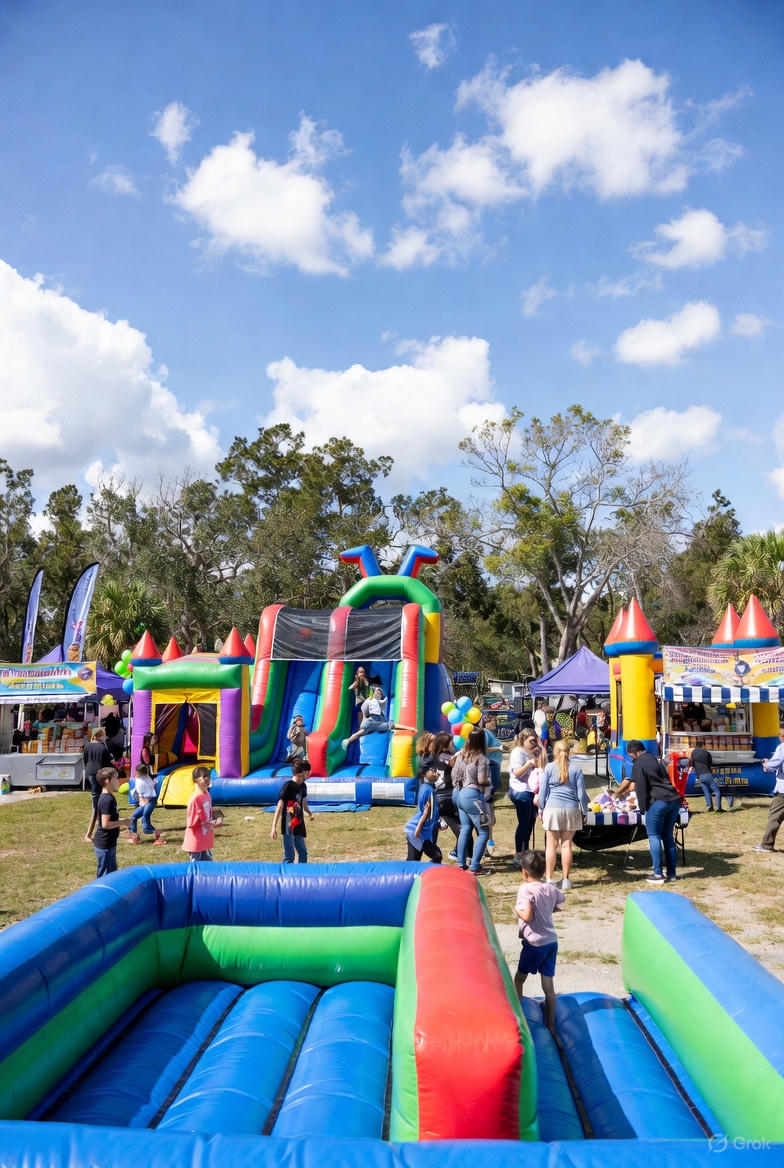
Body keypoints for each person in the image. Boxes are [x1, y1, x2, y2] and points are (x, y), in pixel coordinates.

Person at [514, 849, 565, 1031]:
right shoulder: (550, 888)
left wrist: (517, 910)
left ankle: (519, 1020)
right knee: (548, 987)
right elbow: (560, 903)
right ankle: (550, 1023)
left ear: (524, 872)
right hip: (551, 941)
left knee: (519, 979)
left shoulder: (525, 890)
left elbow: (526, 916)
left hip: (534, 943)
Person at [625, 740, 681, 884]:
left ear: (636, 753)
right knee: (668, 837)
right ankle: (672, 873)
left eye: (631, 755)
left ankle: (657, 874)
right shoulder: (654, 758)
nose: (631, 758)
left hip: (658, 802)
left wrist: (643, 809)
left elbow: (640, 788)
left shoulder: (639, 763)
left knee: (654, 836)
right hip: (673, 800)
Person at [538, 740, 588, 889]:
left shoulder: (549, 768)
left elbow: (542, 793)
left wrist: (541, 809)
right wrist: (585, 811)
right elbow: (582, 795)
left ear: (554, 752)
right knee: (567, 845)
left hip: (552, 809)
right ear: (569, 752)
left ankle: (548, 879)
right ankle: (565, 879)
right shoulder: (576, 769)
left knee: (551, 846)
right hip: (571, 809)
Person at [452, 727, 492, 874]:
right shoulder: (481, 758)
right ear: (482, 740)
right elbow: (481, 779)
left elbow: (455, 776)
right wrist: (490, 782)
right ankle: (475, 867)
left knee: (466, 829)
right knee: (484, 832)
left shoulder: (463, 756)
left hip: (461, 795)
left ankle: (461, 864)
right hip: (474, 797)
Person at [508, 731, 545, 864]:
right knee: (524, 823)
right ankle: (518, 854)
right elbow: (516, 773)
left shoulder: (532, 751)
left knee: (530, 822)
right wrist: (528, 764)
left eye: (535, 740)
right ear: (523, 740)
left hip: (530, 791)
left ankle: (526, 852)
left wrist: (540, 748)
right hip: (520, 791)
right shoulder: (518, 753)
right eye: (531, 741)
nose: (533, 743)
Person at [270, 758, 313, 863]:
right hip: (288, 825)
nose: (309, 775)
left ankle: (301, 876)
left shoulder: (303, 786)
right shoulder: (288, 786)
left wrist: (309, 812)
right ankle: (284, 877)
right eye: (308, 772)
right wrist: (273, 828)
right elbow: (279, 807)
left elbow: (304, 804)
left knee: (303, 852)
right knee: (289, 856)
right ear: (303, 772)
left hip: (298, 824)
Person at [92, 766, 131, 879]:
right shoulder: (107, 799)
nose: (118, 781)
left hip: (109, 843)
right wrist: (123, 822)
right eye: (116, 778)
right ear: (107, 781)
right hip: (105, 845)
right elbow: (105, 824)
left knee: (112, 875)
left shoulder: (108, 797)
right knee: (104, 878)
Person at [753, 726, 784, 853]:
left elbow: (776, 763)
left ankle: (767, 845)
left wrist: (766, 764)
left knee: (774, 816)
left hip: (783, 791)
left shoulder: (782, 747)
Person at [182, 766, 222, 862]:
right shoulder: (195, 799)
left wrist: (216, 818)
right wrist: (212, 823)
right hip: (196, 840)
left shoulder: (206, 794)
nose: (206, 779)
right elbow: (192, 824)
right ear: (195, 780)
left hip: (204, 838)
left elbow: (208, 813)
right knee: (197, 865)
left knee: (208, 862)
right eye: (203, 777)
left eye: (208, 777)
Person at [404, 764, 441, 862]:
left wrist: (437, 822)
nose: (435, 773)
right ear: (425, 774)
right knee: (435, 856)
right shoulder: (428, 791)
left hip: (421, 831)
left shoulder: (426, 787)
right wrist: (418, 830)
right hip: (416, 831)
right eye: (432, 771)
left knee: (415, 859)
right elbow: (426, 812)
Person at [83, 729, 113, 843]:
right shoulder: (102, 747)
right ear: (100, 736)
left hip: (91, 772)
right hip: (101, 772)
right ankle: (99, 813)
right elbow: (107, 762)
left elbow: (85, 759)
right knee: (102, 795)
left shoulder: (87, 746)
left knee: (95, 794)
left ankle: (96, 810)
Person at [126, 763, 165, 845]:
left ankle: (157, 838)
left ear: (140, 773)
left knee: (145, 823)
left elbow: (147, 797)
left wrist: (142, 803)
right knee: (133, 817)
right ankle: (135, 837)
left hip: (149, 801)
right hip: (147, 801)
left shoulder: (142, 781)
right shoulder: (143, 778)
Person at [689, 742, 722, 812]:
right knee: (716, 791)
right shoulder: (706, 753)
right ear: (702, 746)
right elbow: (710, 764)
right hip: (707, 774)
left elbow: (692, 763)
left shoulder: (693, 753)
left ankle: (710, 807)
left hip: (700, 775)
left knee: (706, 792)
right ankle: (719, 808)